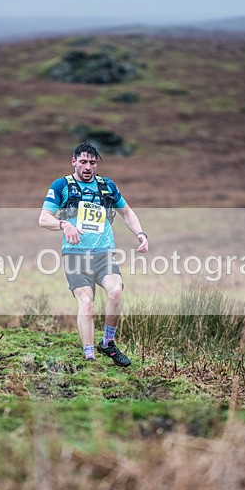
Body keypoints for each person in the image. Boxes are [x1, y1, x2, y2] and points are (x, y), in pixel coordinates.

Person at [39, 142, 149, 366]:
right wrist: (64, 225)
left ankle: (107, 343)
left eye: (92, 162)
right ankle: (89, 356)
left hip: (103, 254)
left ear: (97, 163)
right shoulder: (61, 185)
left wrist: (141, 233)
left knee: (116, 291)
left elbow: (127, 213)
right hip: (75, 256)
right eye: (83, 162)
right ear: (74, 162)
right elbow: (44, 218)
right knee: (86, 302)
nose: (88, 167)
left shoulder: (107, 186)